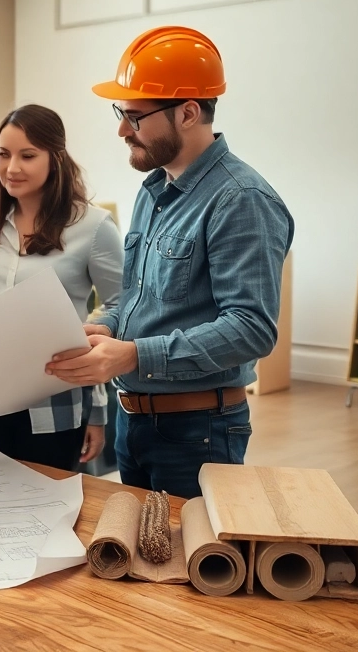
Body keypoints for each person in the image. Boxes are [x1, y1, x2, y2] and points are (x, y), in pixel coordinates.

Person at [47, 25, 294, 499]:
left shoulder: (241, 200)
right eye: (122, 114)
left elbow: (251, 329)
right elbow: (140, 298)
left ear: (187, 112)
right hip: (135, 421)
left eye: (134, 116)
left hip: (197, 431)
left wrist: (136, 354)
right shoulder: (155, 190)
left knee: (189, 566)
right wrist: (108, 325)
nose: (122, 129)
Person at [0, 104, 122, 471]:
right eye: (3, 154)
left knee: (48, 506)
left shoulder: (94, 226)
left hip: (56, 400)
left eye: (27, 155)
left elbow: (122, 305)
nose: (12, 167)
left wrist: (97, 411)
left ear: (56, 158)